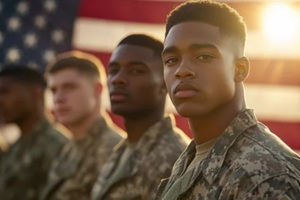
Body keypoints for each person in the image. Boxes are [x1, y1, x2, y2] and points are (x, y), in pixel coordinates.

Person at [156, 0, 300, 199]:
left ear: (239, 69)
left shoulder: (265, 175)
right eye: (171, 60)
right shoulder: (190, 159)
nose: (182, 71)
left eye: (203, 56)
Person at [91, 34, 190, 200]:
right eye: (113, 71)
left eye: (136, 71)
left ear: (165, 83)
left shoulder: (172, 158)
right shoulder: (123, 149)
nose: (117, 79)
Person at [41, 51, 124, 200]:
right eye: (54, 90)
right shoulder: (69, 148)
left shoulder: (114, 151)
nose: (58, 98)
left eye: (69, 87)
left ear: (97, 90)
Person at [0, 66, 68, 200]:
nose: (0, 101)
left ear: (35, 94)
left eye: (5, 92)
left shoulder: (58, 147)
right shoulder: (15, 147)